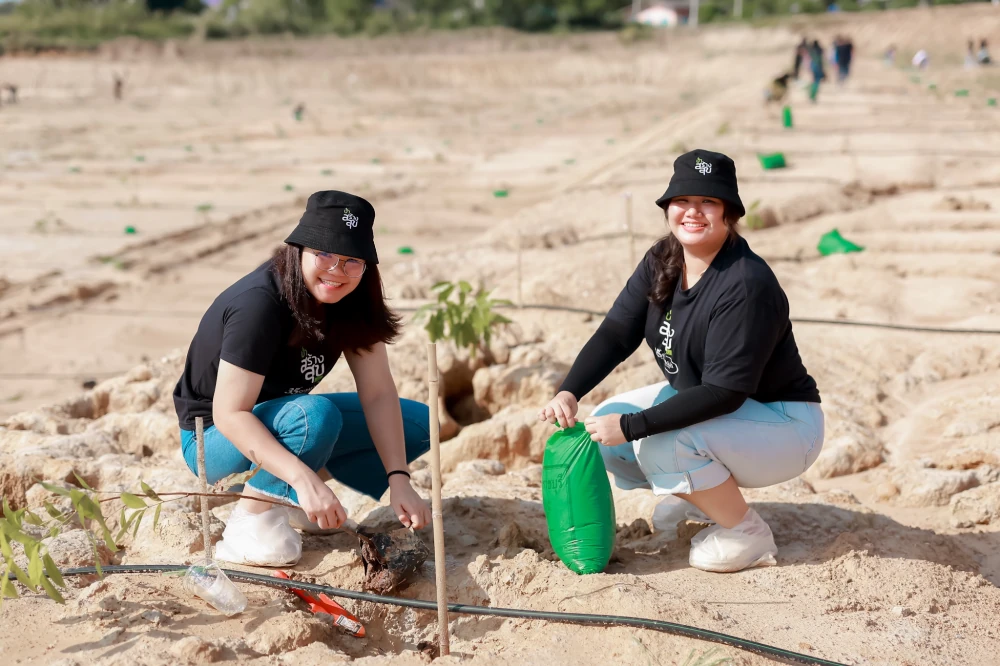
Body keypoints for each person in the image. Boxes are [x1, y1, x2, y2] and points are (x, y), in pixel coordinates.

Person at [538, 150, 824, 573]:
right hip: (726, 409)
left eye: (708, 202)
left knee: (658, 442)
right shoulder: (664, 259)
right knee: (607, 421)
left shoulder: (745, 283)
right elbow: (618, 331)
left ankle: (746, 532)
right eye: (682, 201)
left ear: (730, 213)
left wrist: (635, 427)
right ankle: (700, 498)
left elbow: (725, 393)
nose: (693, 212)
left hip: (783, 425)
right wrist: (569, 389)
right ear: (668, 208)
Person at [173, 191, 432, 567]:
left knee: (419, 425)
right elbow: (230, 414)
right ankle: (253, 518)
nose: (336, 271)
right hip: (212, 438)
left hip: (281, 422)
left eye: (351, 260)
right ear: (298, 249)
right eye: (324, 253)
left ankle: (286, 496)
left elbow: (377, 394)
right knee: (315, 416)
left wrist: (399, 478)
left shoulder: (355, 301)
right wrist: (304, 478)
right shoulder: (259, 304)